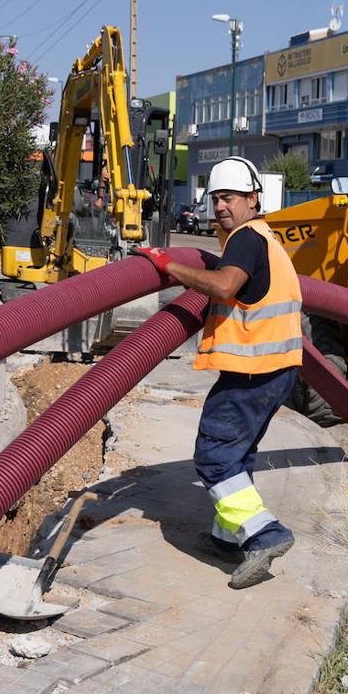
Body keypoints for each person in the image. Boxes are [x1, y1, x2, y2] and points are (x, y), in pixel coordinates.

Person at [131, 156, 303, 588]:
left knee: (214, 454)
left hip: (251, 369)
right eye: (217, 198)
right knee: (238, 454)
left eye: (230, 197)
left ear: (253, 199)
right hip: (275, 369)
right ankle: (227, 538)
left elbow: (225, 286)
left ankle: (265, 534)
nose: (222, 206)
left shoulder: (245, 239)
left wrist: (166, 266)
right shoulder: (264, 238)